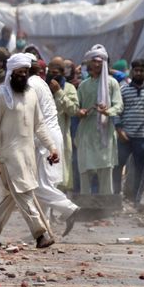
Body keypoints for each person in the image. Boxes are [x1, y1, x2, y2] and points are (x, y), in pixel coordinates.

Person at [0, 53, 57, 249]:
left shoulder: (31, 95)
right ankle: (40, 234)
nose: (22, 75)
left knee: (14, 197)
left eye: (25, 72)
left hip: (28, 156)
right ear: (11, 73)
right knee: (24, 195)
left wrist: (52, 147)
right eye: (18, 72)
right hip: (8, 158)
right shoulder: (1, 97)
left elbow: (39, 126)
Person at [27, 57, 80, 235]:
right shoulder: (41, 84)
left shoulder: (33, 84)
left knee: (39, 186)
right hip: (48, 138)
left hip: (46, 139)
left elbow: (73, 110)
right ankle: (43, 228)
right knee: (44, 183)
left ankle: (69, 209)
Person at [113, 59, 144, 205]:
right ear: (132, 71)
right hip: (125, 135)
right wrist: (119, 129)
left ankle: (136, 199)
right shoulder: (123, 90)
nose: (139, 73)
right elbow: (117, 111)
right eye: (136, 70)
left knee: (140, 169)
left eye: (142, 71)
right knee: (117, 166)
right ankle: (116, 197)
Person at [76, 44, 123, 195]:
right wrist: (80, 112)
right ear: (89, 62)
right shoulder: (83, 85)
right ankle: (86, 205)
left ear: (105, 63)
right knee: (85, 170)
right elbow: (76, 107)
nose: (97, 64)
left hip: (105, 132)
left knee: (105, 170)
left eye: (100, 61)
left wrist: (107, 111)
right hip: (86, 133)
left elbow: (119, 105)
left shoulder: (112, 83)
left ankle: (105, 208)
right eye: (94, 61)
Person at [47, 57, 79, 192]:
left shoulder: (70, 88)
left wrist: (59, 92)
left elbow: (73, 110)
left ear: (62, 73)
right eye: (51, 72)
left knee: (60, 174)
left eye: (57, 72)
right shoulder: (43, 87)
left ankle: (59, 209)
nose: (54, 75)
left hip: (61, 136)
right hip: (44, 136)